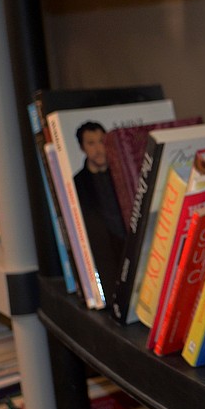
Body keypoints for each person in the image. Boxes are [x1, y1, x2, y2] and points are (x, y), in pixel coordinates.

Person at [73, 121, 127, 291]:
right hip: (103, 255)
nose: (98, 148)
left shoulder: (123, 173)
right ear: (82, 147)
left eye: (102, 141)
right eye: (91, 143)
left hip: (127, 245)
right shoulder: (77, 184)